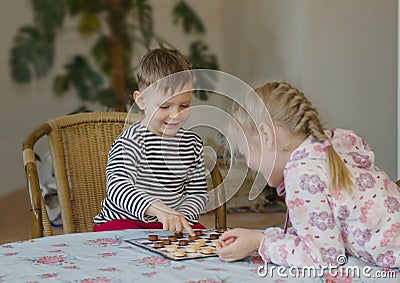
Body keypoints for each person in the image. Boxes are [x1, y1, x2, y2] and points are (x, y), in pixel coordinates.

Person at [217, 81, 400, 268]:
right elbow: (323, 230)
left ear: (266, 135)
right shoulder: (330, 145)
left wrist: (260, 243)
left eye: (246, 152)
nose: (248, 163)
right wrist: (265, 237)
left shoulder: (302, 175)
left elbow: (324, 258)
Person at [93, 48, 208, 235]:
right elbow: (118, 187)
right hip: (125, 221)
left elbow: (197, 193)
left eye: (184, 105)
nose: (175, 115)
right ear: (142, 101)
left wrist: (179, 218)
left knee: (204, 240)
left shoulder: (192, 143)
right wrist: (159, 210)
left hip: (169, 224)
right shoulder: (130, 141)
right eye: (165, 106)